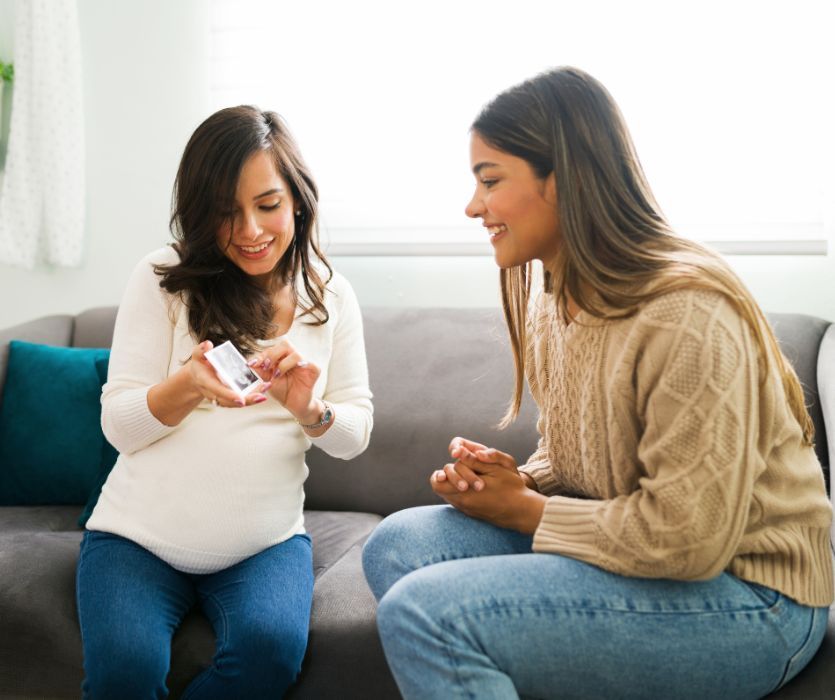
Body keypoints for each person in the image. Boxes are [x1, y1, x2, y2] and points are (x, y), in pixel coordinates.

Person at [361, 67, 833, 699]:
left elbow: (690, 537)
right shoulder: (553, 292)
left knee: (424, 612)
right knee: (395, 546)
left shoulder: (686, 314)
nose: (473, 206)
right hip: (662, 562)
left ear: (560, 181)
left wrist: (527, 511)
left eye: (490, 180)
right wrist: (517, 481)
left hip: (753, 595)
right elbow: (579, 451)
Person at [77, 106, 373, 698]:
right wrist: (185, 387)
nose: (249, 231)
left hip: (264, 547)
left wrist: (310, 409)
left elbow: (354, 432)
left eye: (267, 205)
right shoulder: (163, 277)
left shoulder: (331, 295)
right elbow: (118, 427)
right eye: (224, 212)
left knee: (269, 655)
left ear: (297, 200)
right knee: (125, 673)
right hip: (135, 541)